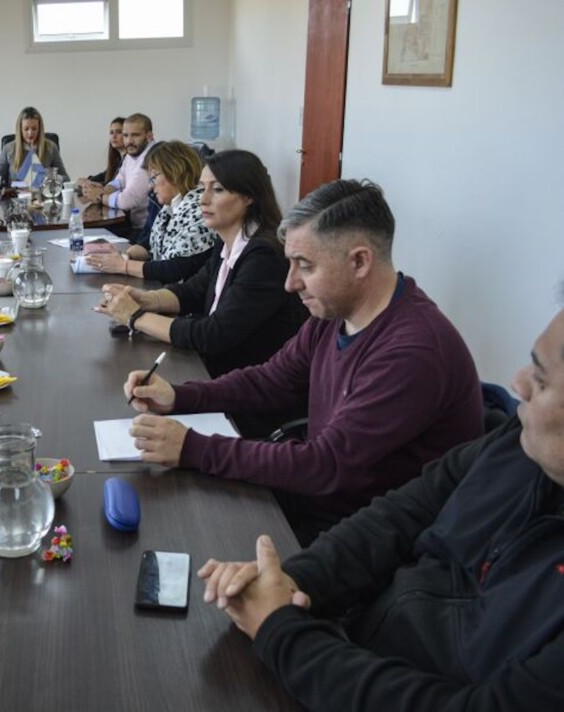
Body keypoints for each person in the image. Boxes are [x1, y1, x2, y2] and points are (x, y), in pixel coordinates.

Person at [198, 306, 564, 710]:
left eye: (542, 380)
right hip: (349, 646)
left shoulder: (415, 348)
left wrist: (283, 632)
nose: (518, 383)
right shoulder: (520, 443)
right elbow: (401, 513)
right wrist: (289, 583)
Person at [124, 179, 484, 544]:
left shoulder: (412, 352)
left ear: (359, 261)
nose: (290, 283)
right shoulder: (335, 315)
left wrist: (193, 447)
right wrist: (180, 396)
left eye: (305, 266)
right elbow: (269, 380)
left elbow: (325, 465)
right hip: (319, 504)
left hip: (362, 538)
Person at [95, 150, 308, 438]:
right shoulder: (232, 242)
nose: (203, 199)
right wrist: (145, 298)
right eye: (203, 187)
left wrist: (136, 317)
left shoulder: (264, 255)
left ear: (249, 196)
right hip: (219, 379)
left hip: (250, 402)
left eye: (217, 189)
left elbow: (214, 334)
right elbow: (193, 291)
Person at [84, 140, 215, 284]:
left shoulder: (199, 210)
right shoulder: (171, 207)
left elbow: (175, 269)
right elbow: (151, 245)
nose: (150, 185)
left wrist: (123, 266)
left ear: (174, 173)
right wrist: (123, 256)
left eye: (153, 177)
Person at [81, 113, 156, 235]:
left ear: (149, 136)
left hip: (145, 231)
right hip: (131, 223)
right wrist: (103, 190)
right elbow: (119, 181)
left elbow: (127, 200)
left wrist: (100, 197)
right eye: (126, 135)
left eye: (135, 135)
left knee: (92, 235)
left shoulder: (151, 158)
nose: (129, 141)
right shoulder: (133, 153)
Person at [0, 107, 68, 188]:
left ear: (40, 129)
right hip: (15, 197)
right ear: (20, 129)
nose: (30, 133)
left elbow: (66, 179)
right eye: (26, 129)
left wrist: (52, 177)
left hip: (43, 197)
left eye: (34, 129)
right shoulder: (8, 149)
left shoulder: (51, 148)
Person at [79, 116, 125, 187]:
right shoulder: (118, 159)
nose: (114, 136)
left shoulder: (130, 160)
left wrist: (97, 184)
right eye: (111, 132)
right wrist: (89, 180)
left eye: (118, 132)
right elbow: (106, 175)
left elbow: (118, 185)